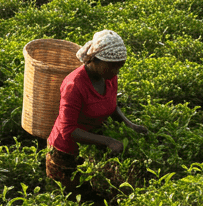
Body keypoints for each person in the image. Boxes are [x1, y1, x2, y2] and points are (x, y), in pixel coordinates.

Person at [45, 30, 147, 188]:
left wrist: (131, 125)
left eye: (120, 67)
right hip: (65, 151)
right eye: (113, 66)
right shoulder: (74, 85)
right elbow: (69, 130)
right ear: (96, 60)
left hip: (90, 143)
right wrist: (108, 141)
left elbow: (111, 106)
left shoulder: (109, 78)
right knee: (69, 194)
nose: (117, 72)